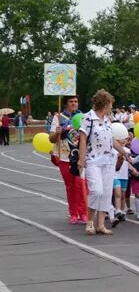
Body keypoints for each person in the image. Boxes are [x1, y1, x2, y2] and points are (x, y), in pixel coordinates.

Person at [77, 90, 131, 236]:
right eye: (110, 104)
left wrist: (124, 152)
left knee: (107, 193)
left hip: (108, 161)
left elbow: (111, 139)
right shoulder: (89, 117)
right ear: (104, 104)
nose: (111, 108)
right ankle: (90, 221)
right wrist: (81, 159)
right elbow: (82, 138)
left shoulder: (107, 119)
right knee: (96, 191)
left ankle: (100, 225)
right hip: (93, 160)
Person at [48, 95, 87, 224]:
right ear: (65, 104)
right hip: (64, 156)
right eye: (71, 101)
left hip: (79, 156)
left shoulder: (83, 116)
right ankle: (73, 213)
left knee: (81, 185)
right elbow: (51, 139)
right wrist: (58, 132)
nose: (74, 103)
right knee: (70, 186)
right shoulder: (58, 118)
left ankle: (83, 213)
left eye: (76, 101)